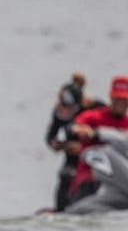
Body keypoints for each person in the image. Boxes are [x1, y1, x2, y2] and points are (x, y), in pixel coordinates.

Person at [44, 73, 105, 212]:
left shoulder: (96, 108)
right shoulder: (60, 111)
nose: (62, 107)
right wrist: (58, 145)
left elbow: (107, 135)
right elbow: (50, 135)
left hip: (94, 157)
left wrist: (82, 147)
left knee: (90, 182)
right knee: (66, 175)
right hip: (72, 156)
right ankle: (60, 210)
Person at [64, 75, 128, 206]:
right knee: (97, 152)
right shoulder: (94, 116)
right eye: (117, 99)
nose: (120, 104)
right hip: (90, 178)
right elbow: (72, 127)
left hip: (119, 181)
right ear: (111, 97)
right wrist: (80, 130)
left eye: (124, 100)